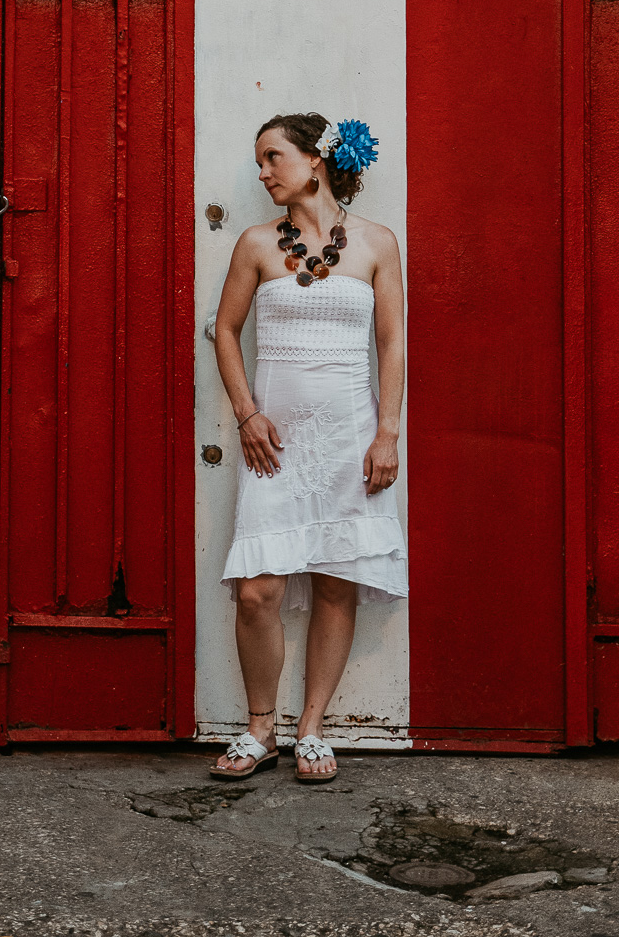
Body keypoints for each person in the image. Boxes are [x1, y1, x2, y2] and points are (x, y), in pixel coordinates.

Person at [208, 112, 407, 783]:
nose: (262, 172)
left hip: (350, 440)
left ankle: (314, 728)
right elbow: (226, 332)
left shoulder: (378, 244)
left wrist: (387, 433)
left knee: (335, 581)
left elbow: (392, 343)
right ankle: (261, 726)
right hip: (276, 445)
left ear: (315, 160)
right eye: (259, 161)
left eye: (272, 157)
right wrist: (246, 414)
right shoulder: (258, 244)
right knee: (258, 591)